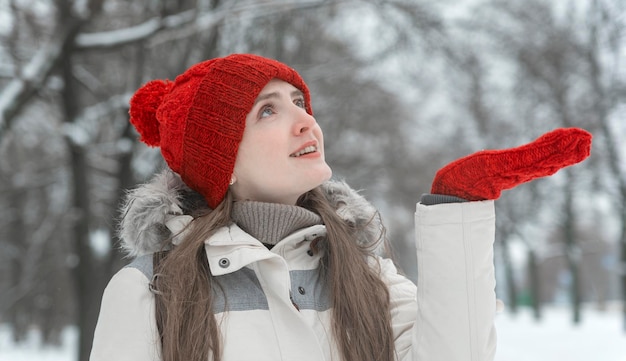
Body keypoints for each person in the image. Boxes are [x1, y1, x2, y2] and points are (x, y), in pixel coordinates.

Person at [90, 53, 591, 361]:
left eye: (299, 102)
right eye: (268, 110)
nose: (306, 121)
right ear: (222, 161)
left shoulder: (368, 275)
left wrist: (455, 207)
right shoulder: (151, 290)